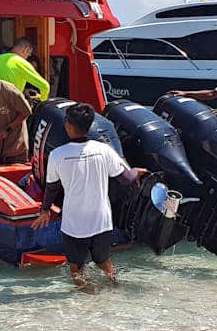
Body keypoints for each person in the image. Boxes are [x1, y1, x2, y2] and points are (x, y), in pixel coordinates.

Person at [32, 103, 145, 292]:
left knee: (76, 267)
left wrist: (45, 210)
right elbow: (125, 179)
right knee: (103, 261)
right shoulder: (104, 150)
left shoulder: (57, 154)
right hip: (101, 221)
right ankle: (116, 288)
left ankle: (88, 296)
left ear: (68, 126)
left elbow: (52, 187)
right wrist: (137, 172)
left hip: (74, 224)